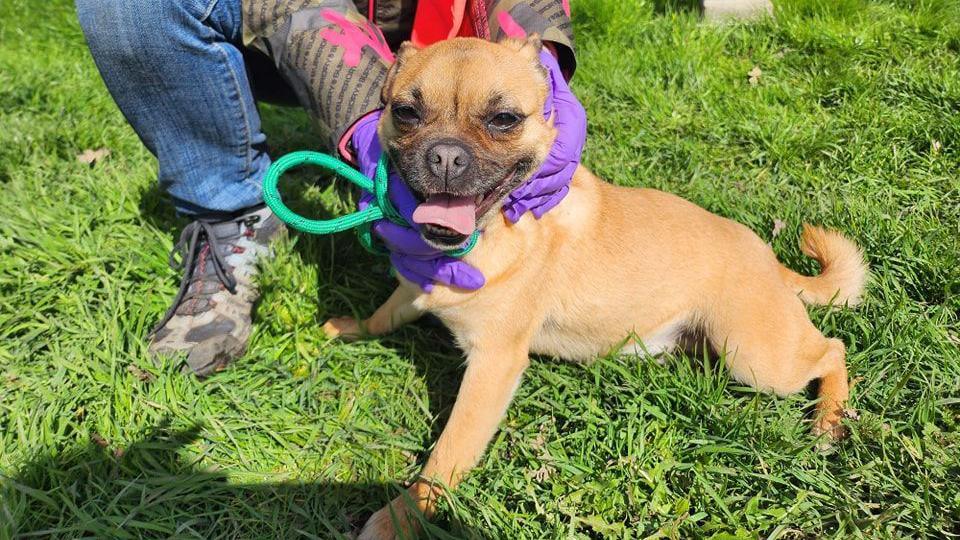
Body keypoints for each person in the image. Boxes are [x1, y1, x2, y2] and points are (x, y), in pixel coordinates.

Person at [76, 0, 587, 376]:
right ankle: (228, 211)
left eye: (500, 120)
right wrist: (367, 120)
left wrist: (536, 57)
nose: (448, 157)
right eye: (406, 116)